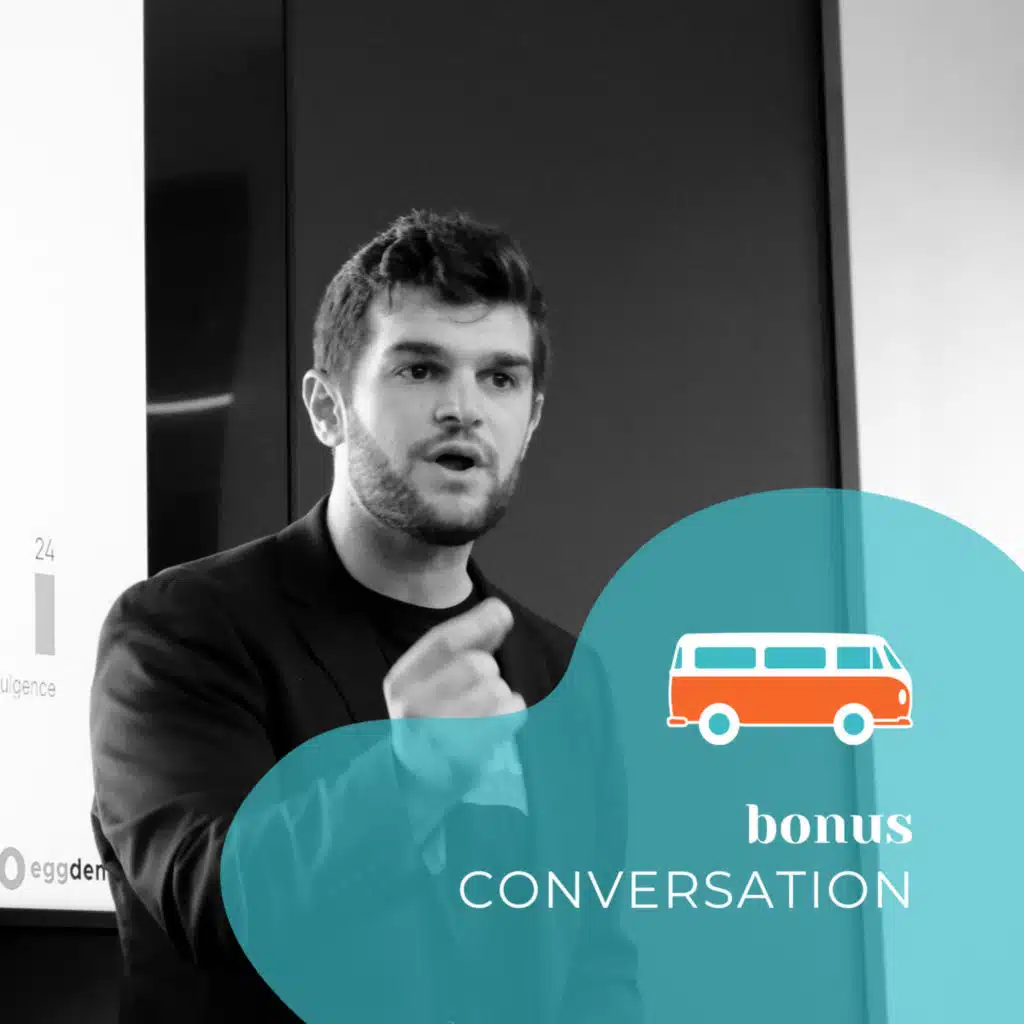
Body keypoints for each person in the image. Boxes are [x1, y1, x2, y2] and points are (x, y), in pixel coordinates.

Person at [90, 210, 641, 1022]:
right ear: (327, 408)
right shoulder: (180, 631)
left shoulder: (567, 678)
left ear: (530, 421)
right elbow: (212, 902)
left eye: (500, 378)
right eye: (420, 369)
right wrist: (410, 778)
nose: (464, 408)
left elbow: (597, 966)